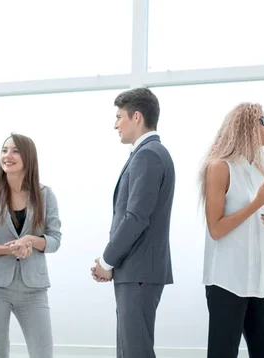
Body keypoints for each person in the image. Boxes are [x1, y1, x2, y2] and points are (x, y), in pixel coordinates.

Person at [199, 102, 264, 358]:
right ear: (245, 127)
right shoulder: (219, 167)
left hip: (261, 282)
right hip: (228, 281)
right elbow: (216, 229)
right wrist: (257, 204)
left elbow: (254, 229)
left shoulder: (259, 171)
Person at [90, 87, 175, 358]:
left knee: (134, 352)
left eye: (119, 116)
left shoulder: (148, 155)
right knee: (130, 351)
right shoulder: (149, 153)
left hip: (138, 271)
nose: (115, 124)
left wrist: (106, 261)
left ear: (136, 116)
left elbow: (136, 218)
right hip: (137, 271)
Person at [0, 133, 61, 358]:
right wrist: (7, 249)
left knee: (42, 353)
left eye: (15, 151)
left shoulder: (45, 195)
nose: (8, 156)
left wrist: (29, 240)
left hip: (33, 288)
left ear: (28, 157)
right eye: (4, 150)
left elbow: (55, 240)